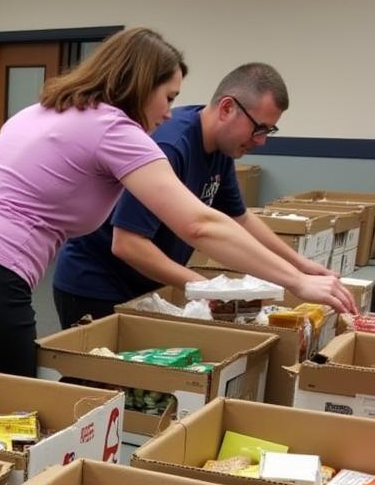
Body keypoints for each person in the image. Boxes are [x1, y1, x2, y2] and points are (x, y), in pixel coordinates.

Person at [0, 28, 355, 375]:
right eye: (169, 97)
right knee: (12, 420)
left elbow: (230, 217)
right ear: (141, 85)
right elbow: (199, 224)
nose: (167, 113)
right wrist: (295, 284)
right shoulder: (114, 128)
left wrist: (298, 270)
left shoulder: (43, 109)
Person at [52, 63, 333, 325]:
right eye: (258, 128)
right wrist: (207, 288)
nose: (261, 140)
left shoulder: (221, 149)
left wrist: (300, 266)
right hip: (95, 284)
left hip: (145, 284)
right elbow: (127, 244)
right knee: (101, 377)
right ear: (226, 108)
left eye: (269, 130)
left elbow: (240, 219)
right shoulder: (171, 147)